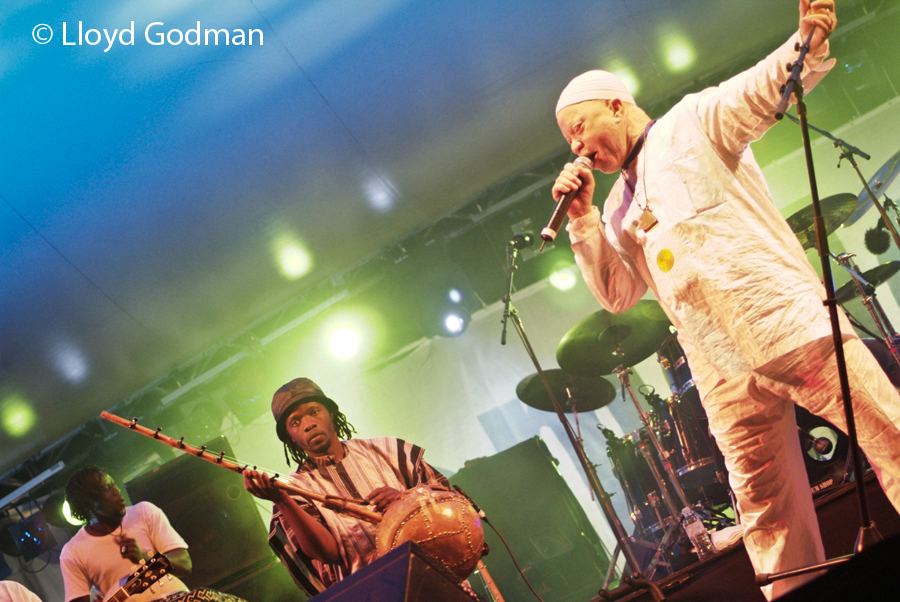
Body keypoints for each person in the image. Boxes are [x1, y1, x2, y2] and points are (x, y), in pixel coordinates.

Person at [551, 0, 900, 599]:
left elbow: (761, 90)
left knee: (887, 431)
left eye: (579, 126)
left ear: (616, 104)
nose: (577, 145)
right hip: (718, 363)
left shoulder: (691, 122)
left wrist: (806, 38)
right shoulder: (612, 207)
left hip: (781, 319)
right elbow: (617, 292)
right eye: (567, 139)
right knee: (763, 507)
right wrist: (582, 223)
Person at [243, 378, 451, 594]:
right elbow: (327, 553)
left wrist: (408, 501)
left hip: (436, 581)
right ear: (290, 438)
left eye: (314, 411)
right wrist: (282, 501)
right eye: (295, 422)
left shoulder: (390, 451)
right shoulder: (293, 490)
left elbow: (451, 502)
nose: (308, 424)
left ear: (331, 413)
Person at [59, 466, 244, 602]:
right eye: (107, 489)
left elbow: (184, 563)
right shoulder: (73, 552)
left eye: (113, 484)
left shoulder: (143, 512)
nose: (117, 492)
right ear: (90, 506)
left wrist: (148, 561)